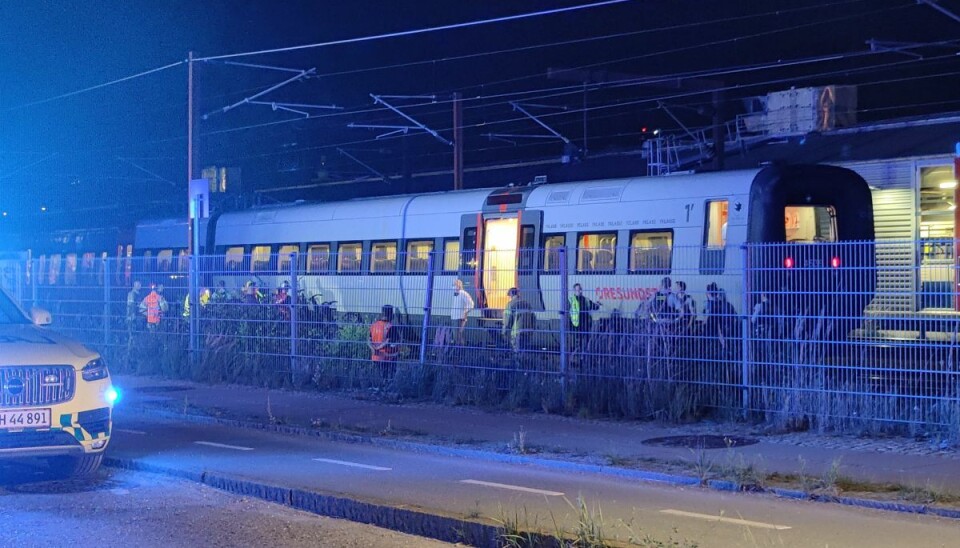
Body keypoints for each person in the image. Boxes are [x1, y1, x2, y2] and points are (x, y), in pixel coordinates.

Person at [569, 283, 600, 356]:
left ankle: (581, 357)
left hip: (585, 324)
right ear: (574, 290)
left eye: (580, 289)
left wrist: (597, 305)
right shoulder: (571, 300)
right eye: (577, 290)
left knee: (584, 342)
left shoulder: (585, 300)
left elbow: (594, 306)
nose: (579, 291)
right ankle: (578, 357)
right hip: (576, 326)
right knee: (579, 343)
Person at [502, 287, 535, 355]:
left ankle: (518, 364)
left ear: (511, 294)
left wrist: (504, 332)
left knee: (517, 352)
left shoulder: (510, 304)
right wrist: (532, 330)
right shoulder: (527, 304)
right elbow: (533, 318)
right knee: (524, 352)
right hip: (527, 332)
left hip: (517, 333)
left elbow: (507, 321)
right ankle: (525, 364)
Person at [450, 279, 474, 346]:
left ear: (458, 285)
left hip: (460, 317)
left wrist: (465, 313)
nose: (453, 286)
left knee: (458, 335)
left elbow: (471, 304)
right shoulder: (456, 294)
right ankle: (459, 349)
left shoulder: (463, 293)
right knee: (456, 335)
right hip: (454, 317)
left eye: (454, 285)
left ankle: (461, 349)